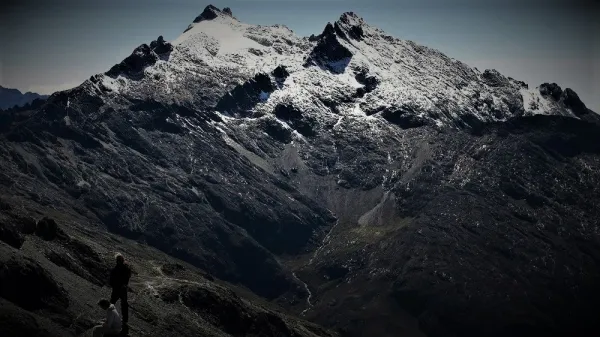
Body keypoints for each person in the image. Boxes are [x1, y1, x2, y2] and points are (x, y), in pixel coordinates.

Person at [109, 253, 131, 326]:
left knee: (112, 303)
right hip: (123, 289)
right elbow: (128, 276)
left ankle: (111, 318)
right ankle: (125, 320)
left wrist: (113, 285)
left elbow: (111, 279)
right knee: (124, 304)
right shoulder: (126, 268)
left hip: (116, 288)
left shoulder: (115, 269)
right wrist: (125, 284)